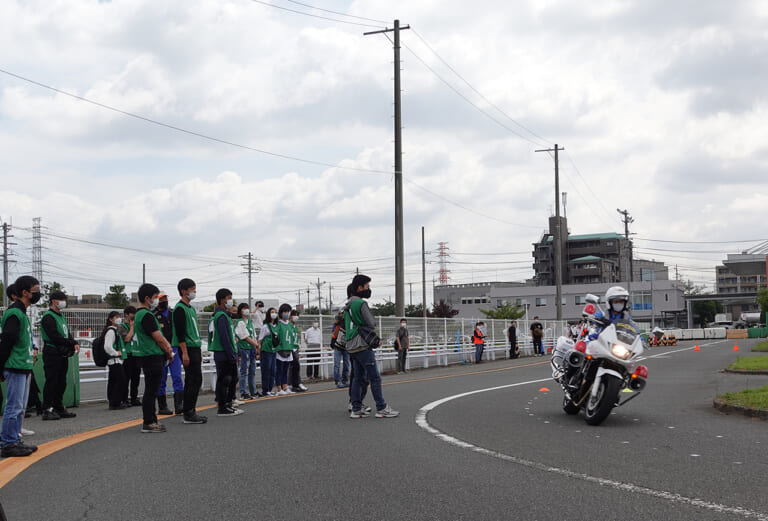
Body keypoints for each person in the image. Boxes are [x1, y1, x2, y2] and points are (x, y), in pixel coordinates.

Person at [344, 274, 398, 419]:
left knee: (357, 378)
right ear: (359, 287)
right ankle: (381, 407)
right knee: (375, 378)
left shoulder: (348, 305)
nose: (368, 289)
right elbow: (371, 322)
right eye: (367, 286)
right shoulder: (360, 303)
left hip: (351, 345)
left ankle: (356, 408)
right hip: (362, 345)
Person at [0, 275, 41, 457]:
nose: (38, 294)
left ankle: (15, 439)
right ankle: (8, 443)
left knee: (20, 406)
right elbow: (7, 341)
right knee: (14, 406)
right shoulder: (14, 313)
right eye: (35, 291)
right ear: (24, 292)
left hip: (23, 365)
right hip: (15, 365)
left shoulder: (22, 313)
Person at [133, 283, 175, 433]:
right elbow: (158, 338)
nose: (157, 300)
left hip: (146, 355)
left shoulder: (139, 314)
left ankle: (151, 419)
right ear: (147, 298)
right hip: (152, 354)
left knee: (150, 389)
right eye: (155, 297)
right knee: (151, 390)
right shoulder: (147, 315)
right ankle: (149, 421)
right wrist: (169, 351)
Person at [172, 278, 207, 424]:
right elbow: (180, 333)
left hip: (195, 347)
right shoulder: (179, 309)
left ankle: (190, 410)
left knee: (195, 379)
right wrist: (184, 353)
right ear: (183, 291)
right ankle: (189, 412)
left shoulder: (191, 308)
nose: (194, 291)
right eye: (192, 289)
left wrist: (198, 351)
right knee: (194, 379)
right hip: (187, 347)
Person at [40, 291, 79, 420]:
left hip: (61, 352)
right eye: (61, 300)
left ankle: (58, 406)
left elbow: (66, 333)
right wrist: (70, 342)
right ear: (54, 301)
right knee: (52, 380)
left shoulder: (61, 316)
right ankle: (47, 408)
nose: (63, 302)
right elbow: (54, 336)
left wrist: (73, 342)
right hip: (52, 352)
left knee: (61, 381)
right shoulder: (48, 317)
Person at [209, 288, 242, 416]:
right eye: (229, 298)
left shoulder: (224, 315)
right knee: (225, 380)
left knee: (232, 378)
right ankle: (223, 406)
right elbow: (224, 337)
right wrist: (231, 355)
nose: (230, 301)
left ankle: (228, 404)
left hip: (227, 352)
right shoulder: (221, 316)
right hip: (223, 353)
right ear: (222, 300)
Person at [155, 294, 183, 416]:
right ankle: (162, 406)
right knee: (161, 378)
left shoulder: (173, 313)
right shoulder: (154, 316)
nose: (164, 301)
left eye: (165, 299)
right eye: (161, 299)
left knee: (177, 376)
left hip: (174, 348)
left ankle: (179, 405)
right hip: (161, 350)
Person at [101, 311, 127, 410]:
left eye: (119, 316)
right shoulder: (111, 331)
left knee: (113, 381)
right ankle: (115, 402)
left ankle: (113, 401)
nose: (119, 318)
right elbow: (107, 346)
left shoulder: (114, 330)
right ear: (111, 319)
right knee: (120, 380)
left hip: (115, 361)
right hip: (115, 360)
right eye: (116, 317)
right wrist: (116, 353)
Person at [234, 303, 259, 399]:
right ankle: (243, 392)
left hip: (251, 348)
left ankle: (253, 391)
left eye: (247, 308)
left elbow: (254, 335)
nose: (246, 310)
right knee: (244, 370)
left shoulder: (249, 322)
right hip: (244, 348)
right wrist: (256, 344)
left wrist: (255, 345)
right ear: (240, 310)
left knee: (252, 370)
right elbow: (245, 337)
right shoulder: (240, 322)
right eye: (244, 308)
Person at [120, 305, 141, 407]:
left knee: (136, 378)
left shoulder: (137, 326)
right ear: (126, 315)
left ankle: (134, 398)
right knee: (126, 378)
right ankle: (124, 399)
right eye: (132, 314)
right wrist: (132, 327)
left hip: (136, 354)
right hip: (127, 355)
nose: (133, 316)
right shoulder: (122, 326)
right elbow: (126, 339)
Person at [257, 307, 279, 397]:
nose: (274, 314)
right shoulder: (265, 326)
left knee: (273, 370)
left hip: (274, 350)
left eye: (275, 312)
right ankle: (265, 390)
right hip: (266, 350)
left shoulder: (276, 326)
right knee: (266, 370)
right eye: (272, 312)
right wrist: (259, 352)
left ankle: (270, 389)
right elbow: (260, 340)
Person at [274, 304, 295, 396]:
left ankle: (285, 387)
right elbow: (276, 336)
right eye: (285, 311)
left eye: (288, 311)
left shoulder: (290, 324)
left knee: (286, 370)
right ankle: (279, 389)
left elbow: (292, 336)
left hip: (288, 349)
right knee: (279, 369)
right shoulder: (278, 323)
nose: (287, 313)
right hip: (280, 350)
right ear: (281, 313)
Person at [288, 310, 308, 392]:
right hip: (290, 348)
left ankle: (296, 383)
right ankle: (291, 384)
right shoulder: (288, 325)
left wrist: (298, 348)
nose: (296, 317)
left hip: (295, 348)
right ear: (290, 316)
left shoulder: (295, 327)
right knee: (292, 367)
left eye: (297, 315)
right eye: (294, 315)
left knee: (296, 366)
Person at [330, 312, 349, 388]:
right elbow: (334, 334)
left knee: (346, 365)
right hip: (338, 346)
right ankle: (337, 381)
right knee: (337, 365)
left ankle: (345, 380)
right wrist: (332, 343)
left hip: (346, 348)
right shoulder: (338, 326)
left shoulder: (350, 326)